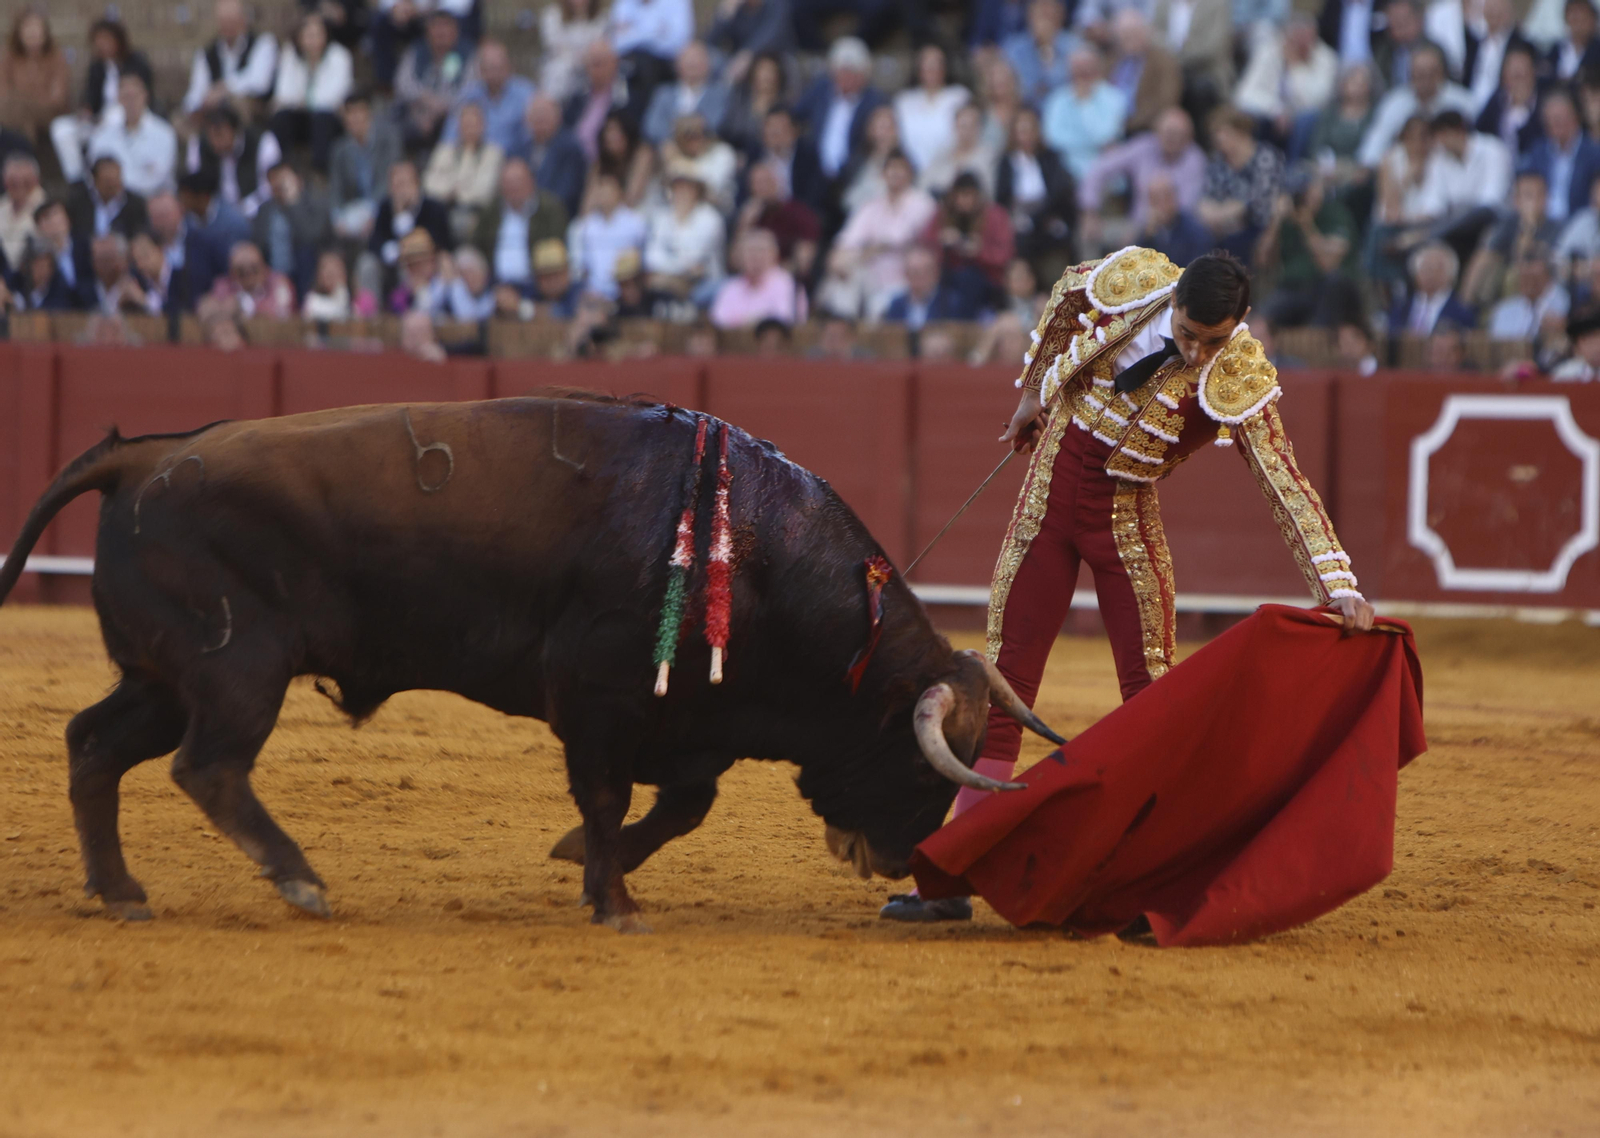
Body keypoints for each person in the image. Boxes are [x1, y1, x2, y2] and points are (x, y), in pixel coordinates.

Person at [881, 249, 1376, 923]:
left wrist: (1337, 580)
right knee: (1004, 681)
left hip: (1125, 519)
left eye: (1215, 340)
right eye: (1189, 335)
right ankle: (953, 874)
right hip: (1049, 499)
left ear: (1242, 323)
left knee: (1153, 700)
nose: (1199, 353)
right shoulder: (1133, 283)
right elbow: (1063, 298)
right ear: (1173, 302)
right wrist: (1033, 393)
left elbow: (1281, 477)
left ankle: (1155, 883)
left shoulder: (1241, 373)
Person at [1078, 106, 1205, 251]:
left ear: (1188, 137)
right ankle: (1090, 274)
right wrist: (1090, 210)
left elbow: (1186, 205)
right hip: (1133, 225)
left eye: (1178, 134)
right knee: (1087, 234)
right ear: (1157, 131)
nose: (1172, 138)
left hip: (1175, 233)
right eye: (1168, 132)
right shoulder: (1143, 146)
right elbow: (1099, 169)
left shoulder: (1195, 159)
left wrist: (1142, 232)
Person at [834, 149, 938, 319]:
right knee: (844, 278)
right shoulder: (871, 206)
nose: (895, 173)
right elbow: (847, 243)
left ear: (910, 173)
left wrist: (870, 250)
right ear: (883, 174)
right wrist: (846, 258)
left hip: (906, 281)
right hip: (872, 280)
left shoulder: (923, 204)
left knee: (879, 305)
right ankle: (843, 325)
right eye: (891, 168)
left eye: (901, 168)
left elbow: (899, 240)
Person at [48, 18, 152, 186]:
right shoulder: (97, 66)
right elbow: (91, 96)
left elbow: (141, 95)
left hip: (126, 119)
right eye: (98, 40)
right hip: (98, 121)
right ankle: (78, 180)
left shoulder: (136, 61)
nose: (102, 44)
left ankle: (103, 176)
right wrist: (86, 110)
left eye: (106, 39)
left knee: (115, 116)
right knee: (61, 129)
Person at [1256, 167, 1361, 327]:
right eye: (1299, 194)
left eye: (1307, 191)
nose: (1304, 198)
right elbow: (1262, 260)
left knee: (1332, 287)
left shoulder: (1335, 213)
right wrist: (1275, 222)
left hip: (1324, 288)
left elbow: (1328, 265)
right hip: (1292, 288)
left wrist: (1307, 226)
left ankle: (1315, 343)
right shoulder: (1286, 219)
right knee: (1260, 322)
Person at [1357, 42, 1475, 167]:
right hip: (1407, 173)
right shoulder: (1394, 102)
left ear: (1442, 74)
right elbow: (1374, 146)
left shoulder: (1463, 103)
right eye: (1418, 74)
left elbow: (1474, 149)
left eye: (1430, 73)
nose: (1424, 80)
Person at [995, 106, 1077, 276]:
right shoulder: (1006, 162)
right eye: (1021, 131)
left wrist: (1038, 217)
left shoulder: (1050, 158)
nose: (1026, 136)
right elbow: (1002, 197)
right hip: (1019, 218)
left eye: (1030, 130)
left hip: (1048, 215)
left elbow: (1058, 192)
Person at [269, 13, 355, 172]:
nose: (313, 41)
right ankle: (284, 166)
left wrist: (303, 101)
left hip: (329, 119)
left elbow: (333, 98)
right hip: (301, 116)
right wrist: (299, 102)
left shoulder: (340, 56)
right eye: (308, 35)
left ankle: (321, 169)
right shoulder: (290, 55)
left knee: (321, 119)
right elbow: (282, 94)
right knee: (281, 117)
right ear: (299, 38)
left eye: (317, 35)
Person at [793, 37, 886, 184]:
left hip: (853, 176)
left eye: (852, 72)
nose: (845, 77)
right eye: (841, 71)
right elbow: (795, 116)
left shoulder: (874, 101)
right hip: (815, 173)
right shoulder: (821, 90)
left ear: (864, 75)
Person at [1198, 107, 1286, 260]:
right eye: (1215, 133)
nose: (1217, 138)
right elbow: (1205, 202)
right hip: (1221, 227)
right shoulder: (1218, 162)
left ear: (1241, 132)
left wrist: (1229, 211)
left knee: (1236, 243)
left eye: (1223, 132)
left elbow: (1259, 204)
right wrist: (1223, 212)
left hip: (1258, 228)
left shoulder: (1265, 157)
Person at [472, 157, 568, 295]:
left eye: (518, 182)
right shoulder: (490, 211)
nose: (513, 188)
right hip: (495, 284)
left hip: (536, 283)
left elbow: (558, 246)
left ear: (531, 182)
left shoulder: (550, 209)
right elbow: (475, 245)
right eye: (508, 183)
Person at [919, 171, 1014, 310]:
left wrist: (979, 251)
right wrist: (943, 241)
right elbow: (926, 245)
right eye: (960, 195)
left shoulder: (995, 216)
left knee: (968, 280)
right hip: (947, 276)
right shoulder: (943, 215)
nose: (964, 201)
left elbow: (1005, 255)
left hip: (987, 280)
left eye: (969, 195)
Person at [1235, 14, 1340, 136]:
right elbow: (1243, 94)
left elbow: (1314, 102)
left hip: (1307, 123)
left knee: (1306, 120)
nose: (1300, 44)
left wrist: (1295, 67)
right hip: (1270, 118)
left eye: (1306, 37)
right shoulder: (1269, 51)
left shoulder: (1326, 58)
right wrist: (1276, 110)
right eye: (1295, 37)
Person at [181, 0, 279, 121]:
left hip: (253, 114)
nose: (228, 26)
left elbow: (259, 82)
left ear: (243, 19)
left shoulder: (263, 43)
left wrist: (224, 89)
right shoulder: (207, 53)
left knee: (237, 104)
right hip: (212, 115)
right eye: (224, 21)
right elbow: (196, 90)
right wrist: (195, 106)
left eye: (232, 21)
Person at [1040, 48, 1128, 181]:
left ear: (1098, 69)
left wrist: (1085, 104)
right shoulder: (1057, 100)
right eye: (1077, 68)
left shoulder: (1114, 98)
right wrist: (1094, 145)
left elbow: (1106, 135)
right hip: (1067, 177)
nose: (1082, 73)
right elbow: (1053, 139)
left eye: (1087, 67)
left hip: (1106, 178)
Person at [88, 73, 178, 201]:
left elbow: (157, 179)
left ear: (145, 96)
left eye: (135, 96)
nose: (131, 102)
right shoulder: (101, 136)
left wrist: (118, 182)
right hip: (115, 203)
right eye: (126, 97)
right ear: (119, 98)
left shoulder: (165, 134)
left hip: (153, 201)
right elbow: (95, 174)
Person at [644, 166, 725, 308]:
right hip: (667, 282)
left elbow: (695, 257)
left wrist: (665, 275)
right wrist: (671, 278)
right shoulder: (662, 217)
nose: (681, 192)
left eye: (687, 187)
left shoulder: (710, 217)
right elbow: (652, 257)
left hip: (703, 283)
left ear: (697, 190)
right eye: (677, 187)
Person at [395, 11, 476, 149]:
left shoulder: (467, 53)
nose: (441, 32)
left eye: (445, 26)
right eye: (436, 27)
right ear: (427, 31)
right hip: (417, 112)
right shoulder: (416, 51)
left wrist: (440, 108)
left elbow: (470, 89)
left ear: (455, 31)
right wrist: (425, 99)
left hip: (452, 114)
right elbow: (402, 83)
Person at [185, 105, 281, 219]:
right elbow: (195, 184)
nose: (215, 141)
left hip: (257, 213)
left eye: (219, 134)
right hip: (216, 216)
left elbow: (270, 187)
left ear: (235, 130)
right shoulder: (198, 146)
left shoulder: (263, 142)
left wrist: (246, 207)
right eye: (211, 136)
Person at [329, 92, 402, 243]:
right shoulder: (340, 149)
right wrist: (337, 218)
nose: (354, 118)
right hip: (355, 208)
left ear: (369, 113)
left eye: (358, 111)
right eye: (350, 112)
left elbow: (391, 178)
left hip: (384, 205)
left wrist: (373, 212)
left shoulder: (389, 138)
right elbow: (335, 188)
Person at [426, 101, 504, 239]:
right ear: (458, 127)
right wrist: (456, 189)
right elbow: (429, 185)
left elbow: (484, 192)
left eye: (474, 124)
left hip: (476, 214)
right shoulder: (444, 151)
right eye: (466, 124)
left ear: (483, 126)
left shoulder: (494, 154)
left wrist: (452, 191)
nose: (470, 129)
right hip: (443, 211)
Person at [369, 159, 454, 287]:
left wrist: (403, 218)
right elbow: (376, 240)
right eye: (396, 185)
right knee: (367, 264)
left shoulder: (434, 208)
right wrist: (389, 250)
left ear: (416, 184)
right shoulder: (385, 207)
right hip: (393, 264)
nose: (401, 191)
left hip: (425, 262)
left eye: (405, 184)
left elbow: (438, 240)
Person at [443, 40, 535, 155]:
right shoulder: (468, 95)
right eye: (488, 68)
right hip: (475, 158)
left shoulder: (526, 94)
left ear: (509, 67)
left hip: (512, 158)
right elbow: (451, 134)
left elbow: (531, 136)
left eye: (498, 68)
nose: (493, 74)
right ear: (480, 70)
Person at [1521, 90, 1600, 222]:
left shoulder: (1593, 153)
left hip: (1576, 220)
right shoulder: (1538, 151)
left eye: (1559, 118)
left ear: (1575, 116)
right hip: (1541, 221)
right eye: (1549, 119)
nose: (1553, 123)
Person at [733, 158, 819, 279]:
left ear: (779, 182)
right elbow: (735, 264)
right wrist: (745, 224)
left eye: (766, 182)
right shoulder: (750, 215)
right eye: (756, 183)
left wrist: (770, 276)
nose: (761, 188)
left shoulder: (799, 213)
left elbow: (803, 263)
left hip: (783, 281)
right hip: (749, 282)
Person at [252, 162, 330, 296]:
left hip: (304, 271)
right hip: (271, 273)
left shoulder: (313, 204)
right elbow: (257, 244)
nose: (278, 183)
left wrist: (292, 203)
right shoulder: (265, 209)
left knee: (306, 254)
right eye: (273, 179)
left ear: (298, 180)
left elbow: (310, 237)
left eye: (283, 178)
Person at [568, 170, 647, 299]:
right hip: (594, 292)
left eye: (609, 189)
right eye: (601, 189)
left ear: (619, 192)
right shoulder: (586, 226)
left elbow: (643, 260)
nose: (604, 194)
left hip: (625, 291)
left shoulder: (636, 223)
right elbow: (580, 266)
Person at [894, 44, 970, 176]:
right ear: (918, 68)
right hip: (909, 173)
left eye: (936, 64)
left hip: (950, 170)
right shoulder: (903, 101)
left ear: (945, 68)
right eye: (926, 64)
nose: (931, 69)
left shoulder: (959, 96)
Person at [0, 8, 69, 153]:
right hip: (15, 115)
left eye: (36, 28)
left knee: (21, 114)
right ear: (19, 32)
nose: (32, 33)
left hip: (48, 115)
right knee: (24, 122)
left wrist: (24, 101)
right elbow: (3, 94)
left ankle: (23, 162)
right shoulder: (9, 58)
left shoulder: (56, 58)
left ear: (45, 32)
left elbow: (57, 99)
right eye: (28, 28)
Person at [709, 226, 805, 328]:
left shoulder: (787, 284)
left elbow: (782, 319)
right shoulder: (730, 287)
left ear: (775, 254)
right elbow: (718, 320)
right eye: (750, 251)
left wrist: (742, 321)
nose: (756, 256)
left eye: (761, 250)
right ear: (740, 257)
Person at [606, 0, 694, 110]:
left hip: (666, 61)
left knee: (645, 65)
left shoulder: (677, 2)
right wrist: (656, 32)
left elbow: (680, 41)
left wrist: (633, 32)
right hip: (628, 59)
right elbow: (617, 42)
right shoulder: (624, 3)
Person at [1107, 9, 1181, 136]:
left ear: (1146, 33)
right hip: (1109, 128)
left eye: (1134, 33)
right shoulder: (1111, 60)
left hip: (1145, 129)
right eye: (1124, 35)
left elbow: (1166, 100)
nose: (1129, 39)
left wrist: (1130, 123)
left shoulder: (1163, 62)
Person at [642, 42, 728, 147]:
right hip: (668, 149)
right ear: (677, 65)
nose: (692, 63)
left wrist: (685, 133)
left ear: (708, 64)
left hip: (706, 148)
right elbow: (652, 127)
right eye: (688, 59)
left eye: (697, 59)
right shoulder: (664, 93)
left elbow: (718, 124)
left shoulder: (720, 93)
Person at [517, 94, 587, 219]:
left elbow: (567, 192)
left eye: (544, 115)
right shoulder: (520, 148)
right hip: (520, 214)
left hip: (555, 216)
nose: (540, 119)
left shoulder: (570, 148)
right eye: (536, 115)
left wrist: (533, 206)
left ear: (558, 117)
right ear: (527, 119)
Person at [563, 40, 632, 161]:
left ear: (614, 63)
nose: (596, 70)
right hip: (575, 161)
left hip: (608, 161)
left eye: (600, 63)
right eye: (592, 64)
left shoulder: (625, 94)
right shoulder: (578, 95)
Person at [1389, 240, 1476, 334]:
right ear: (1415, 273)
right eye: (1426, 267)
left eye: (1439, 268)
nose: (1432, 273)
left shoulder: (1464, 311)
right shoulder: (1400, 307)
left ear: (1452, 274)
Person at [1002, 0, 1077, 107]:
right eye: (1041, 11)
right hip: (1025, 112)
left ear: (1061, 15)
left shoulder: (1073, 46)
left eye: (1050, 12)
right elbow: (1016, 90)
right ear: (1029, 15)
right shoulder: (1013, 48)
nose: (1045, 19)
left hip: (1064, 112)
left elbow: (1073, 88)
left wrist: (1048, 48)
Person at [755, 106, 827, 217]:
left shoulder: (808, 157)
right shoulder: (755, 153)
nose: (775, 132)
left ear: (794, 131)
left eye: (780, 128)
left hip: (795, 217)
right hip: (761, 214)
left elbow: (812, 198)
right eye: (771, 127)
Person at [659, 112, 737, 213]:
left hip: (718, 211)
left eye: (695, 134)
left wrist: (679, 163)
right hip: (684, 213)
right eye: (685, 136)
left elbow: (710, 188)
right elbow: (668, 194)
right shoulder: (679, 158)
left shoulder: (723, 153)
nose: (691, 140)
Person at [882, 245, 975, 328]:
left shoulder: (951, 303)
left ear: (936, 273)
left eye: (926, 271)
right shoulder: (896, 305)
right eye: (914, 272)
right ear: (906, 274)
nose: (920, 277)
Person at [1476, 42, 1543, 157]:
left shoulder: (1544, 102)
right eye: (1513, 73)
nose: (1518, 80)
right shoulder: (1497, 100)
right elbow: (1480, 132)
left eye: (1523, 73)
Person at [719, 51, 789, 159]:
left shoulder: (784, 106)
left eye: (771, 71)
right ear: (753, 73)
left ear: (778, 75)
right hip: (735, 155)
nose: (766, 76)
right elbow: (727, 130)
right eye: (762, 70)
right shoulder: (739, 100)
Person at [706, 0, 794, 86]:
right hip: (738, 61)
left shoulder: (776, 4)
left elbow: (771, 33)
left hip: (774, 57)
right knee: (714, 59)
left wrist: (748, 53)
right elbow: (711, 41)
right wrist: (724, 14)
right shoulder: (738, 8)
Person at [203, 238, 296, 319]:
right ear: (231, 272)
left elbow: (281, 312)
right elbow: (210, 312)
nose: (248, 275)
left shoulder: (279, 282)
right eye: (241, 272)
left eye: (254, 269)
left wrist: (246, 306)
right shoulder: (222, 285)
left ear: (264, 267)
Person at [1486, 250, 1570, 339]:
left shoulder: (1565, 302)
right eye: (1524, 278)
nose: (1529, 285)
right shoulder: (1504, 310)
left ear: (1548, 277)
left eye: (1534, 278)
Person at [921, 103, 999, 198]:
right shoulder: (942, 154)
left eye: (972, 126)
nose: (967, 131)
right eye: (963, 126)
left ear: (980, 128)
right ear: (955, 126)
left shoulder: (989, 156)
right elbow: (923, 185)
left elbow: (988, 192)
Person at [66, 154, 148, 241]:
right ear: (95, 181)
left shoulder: (136, 204)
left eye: (116, 180)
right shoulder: (78, 204)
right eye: (107, 181)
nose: (113, 186)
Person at [539, 0, 607, 104]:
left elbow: (599, 47)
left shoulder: (602, 19)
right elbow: (556, 48)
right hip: (560, 71)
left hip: (589, 72)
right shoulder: (553, 15)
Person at [1138, 172, 1213, 266]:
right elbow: (1138, 263)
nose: (1161, 205)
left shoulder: (1194, 231)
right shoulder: (1149, 231)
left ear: (1174, 197)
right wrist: (1147, 238)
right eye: (1155, 199)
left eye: (1165, 197)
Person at [1549, 0, 1600, 80]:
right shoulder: (1556, 50)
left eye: (1583, 19)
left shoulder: (1597, 51)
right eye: (1574, 18)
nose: (1578, 25)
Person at [533, 237, 581, 317]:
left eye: (556, 274)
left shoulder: (579, 292)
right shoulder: (532, 292)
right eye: (546, 276)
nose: (552, 282)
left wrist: (529, 309)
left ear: (567, 272)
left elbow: (569, 310)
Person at [447, 244, 497, 320]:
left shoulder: (497, 295)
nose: (470, 278)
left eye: (472, 272)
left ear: (485, 272)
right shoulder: (448, 302)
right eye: (464, 274)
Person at [303, 248, 354, 321]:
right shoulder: (312, 300)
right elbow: (336, 312)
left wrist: (341, 289)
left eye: (336, 273)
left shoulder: (349, 298)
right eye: (329, 274)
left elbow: (342, 311)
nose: (332, 279)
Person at [1550, 304, 1600, 378]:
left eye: (1597, 341)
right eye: (1588, 342)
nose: (1595, 348)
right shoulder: (1566, 375)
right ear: (1577, 347)